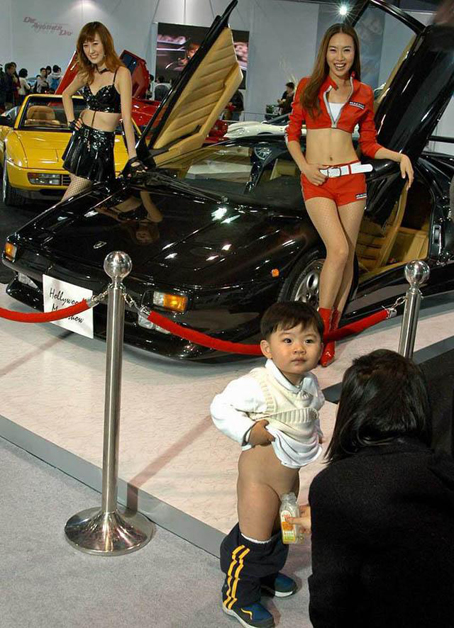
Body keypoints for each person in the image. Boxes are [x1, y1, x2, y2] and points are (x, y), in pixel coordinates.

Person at [290, 349, 454, 627]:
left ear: (351, 409)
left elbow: (329, 598)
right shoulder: (443, 468)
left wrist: (330, 519)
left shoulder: (336, 485)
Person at [286, 23, 414, 367]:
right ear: (325, 53)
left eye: (346, 50)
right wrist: (304, 167)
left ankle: (330, 331)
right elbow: (292, 134)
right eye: (333, 50)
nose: (339, 57)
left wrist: (398, 156)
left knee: (347, 256)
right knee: (338, 249)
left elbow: (368, 143)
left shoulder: (363, 93)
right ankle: (319, 331)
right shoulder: (308, 87)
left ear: (355, 54)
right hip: (317, 180)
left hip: (352, 180)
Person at [211, 301, 325, 628]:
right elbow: (220, 407)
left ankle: (266, 575)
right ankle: (238, 596)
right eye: (287, 340)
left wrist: (315, 433)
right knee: (256, 538)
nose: (299, 348)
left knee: (283, 530)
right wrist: (249, 430)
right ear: (267, 348)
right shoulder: (257, 384)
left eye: (309, 340)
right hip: (258, 481)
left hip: (289, 477)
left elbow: (311, 413)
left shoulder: (309, 384)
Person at [61, 21, 146, 202]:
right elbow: (66, 94)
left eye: (95, 44)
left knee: (67, 203)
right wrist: (71, 121)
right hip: (79, 141)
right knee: (80, 202)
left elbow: (126, 118)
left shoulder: (121, 73)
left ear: (106, 44)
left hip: (100, 147)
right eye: (86, 45)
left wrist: (133, 157)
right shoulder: (86, 73)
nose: (90, 50)